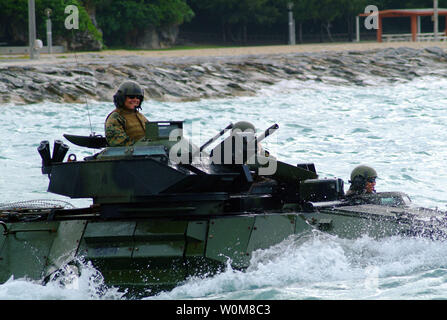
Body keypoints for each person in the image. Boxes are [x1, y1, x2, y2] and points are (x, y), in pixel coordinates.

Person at [105, 81, 149, 147]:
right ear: (122, 98)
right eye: (131, 97)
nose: (135, 100)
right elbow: (119, 143)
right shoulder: (116, 117)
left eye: (138, 97)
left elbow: (152, 135)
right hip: (128, 154)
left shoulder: (140, 116)